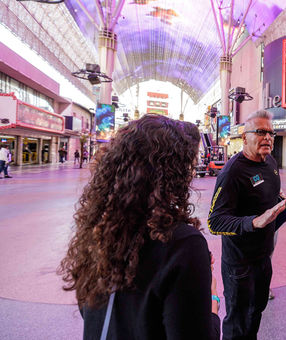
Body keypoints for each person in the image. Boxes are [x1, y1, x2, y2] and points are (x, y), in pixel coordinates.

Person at [58, 114, 221, 339]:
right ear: (172, 172)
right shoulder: (183, 244)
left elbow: (92, 312)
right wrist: (212, 304)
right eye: (188, 167)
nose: (191, 174)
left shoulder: (102, 229)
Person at [207, 110, 286, 340]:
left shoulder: (270, 162)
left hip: (263, 257)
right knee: (238, 320)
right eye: (261, 132)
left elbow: (272, 200)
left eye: (271, 133)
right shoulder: (232, 172)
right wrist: (253, 221)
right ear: (244, 137)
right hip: (239, 264)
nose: (268, 137)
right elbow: (215, 222)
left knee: (256, 311)